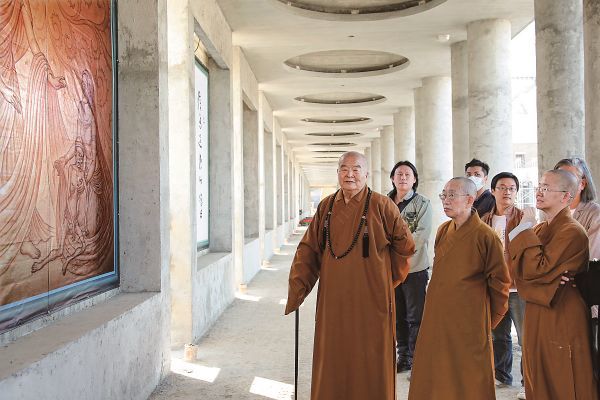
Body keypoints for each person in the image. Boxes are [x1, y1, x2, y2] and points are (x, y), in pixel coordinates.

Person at [285, 151, 415, 400]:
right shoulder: (326, 207)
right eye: (344, 169)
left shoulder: (382, 205)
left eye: (356, 169)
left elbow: (405, 246)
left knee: (371, 353)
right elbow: (309, 249)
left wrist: (385, 279)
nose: (350, 174)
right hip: (334, 298)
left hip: (372, 297)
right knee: (334, 353)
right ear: (337, 174)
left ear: (366, 174)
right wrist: (297, 288)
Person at [408, 177, 510, 400]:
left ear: (470, 199)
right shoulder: (444, 230)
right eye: (444, 195)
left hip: (470, 320)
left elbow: (500, 283)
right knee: (437, 372)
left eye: (452, 195)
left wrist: (486, 321)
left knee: (468, 376)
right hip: (438, 317)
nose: (446, 200)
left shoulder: (486, 236)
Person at [508, 169, 598, 400]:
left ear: (566, 196)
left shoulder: (573, 232)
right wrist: (525, 228)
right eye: (539, 186)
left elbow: (535, 269)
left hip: (562, 311)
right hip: (539, 308)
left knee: (563, 373)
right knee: (538, 371)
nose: (539, 192)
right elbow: (520, 275)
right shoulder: (538, 229)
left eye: (546, 188)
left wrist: (524, 230)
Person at [480, 172, 526, 394]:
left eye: (512, 188)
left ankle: (528, 381)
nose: (507, 192)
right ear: (493, 191)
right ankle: (502, 375)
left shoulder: (524, 217)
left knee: (525, 337)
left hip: (518, 288)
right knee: (499, 335)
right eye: (502, 187)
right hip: (495, 287)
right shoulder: (484, 220)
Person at [387, 161, 432, 373]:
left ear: (414, 179)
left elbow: (420, 236)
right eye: (399, 174)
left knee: (416, 317)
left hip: (414, 269)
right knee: (398, 316)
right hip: (389, 271)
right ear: (393, 178)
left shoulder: (423, 203)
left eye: (407, 174)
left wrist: (396, 253)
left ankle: (417, 358)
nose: (403, 178)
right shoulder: (383, 203)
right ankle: (403, 357)